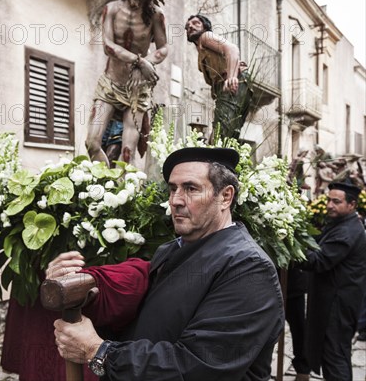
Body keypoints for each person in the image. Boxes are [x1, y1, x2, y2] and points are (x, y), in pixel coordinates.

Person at [50, 147, 284, 380]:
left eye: (191, 189)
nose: (175, 201)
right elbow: (142, 325)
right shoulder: (171, 250)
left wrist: (99, 351)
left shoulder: (249, 268)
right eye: (173, 189)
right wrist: (81, 288)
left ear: (225, 197)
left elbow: (197, 367)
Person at [85, 0, 168, 167]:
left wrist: (150, 61)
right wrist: (141, 62)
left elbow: (163, 48)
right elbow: (108, 46)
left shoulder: (155, 15)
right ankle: (105, 185)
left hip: (137, 90)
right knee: (92, 143)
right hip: (110, 84)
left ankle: (121, 194)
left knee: (127, 153)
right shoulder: (111, 9)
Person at [299, 180, 366, 380]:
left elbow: (319, 261)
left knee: (334, 356)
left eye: (336, 202)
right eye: (329, 200)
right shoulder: (343, 224)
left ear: (352, 205)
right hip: (335, 303)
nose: (329, 205)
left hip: (337, 307)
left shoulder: (347, 232)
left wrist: (290, 248)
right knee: (334, 356)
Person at [185, 14, 252, 141]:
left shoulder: (206, 36)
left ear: (205, 27)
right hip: (232, 86)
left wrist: (231, 77)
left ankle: (214, 159)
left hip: (236, 81)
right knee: (228, 135)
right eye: (187, 26)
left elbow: (232, 49)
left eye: (195, 23)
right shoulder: (202, 50)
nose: (191, 27)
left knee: (220, 135)